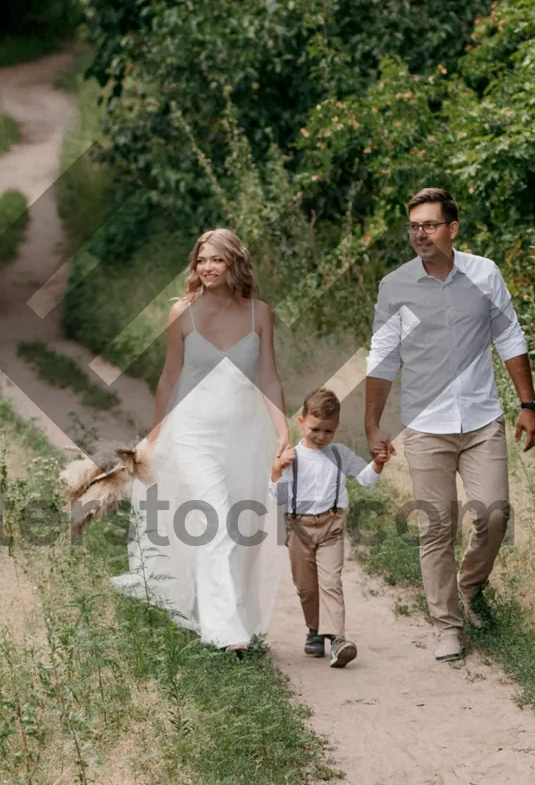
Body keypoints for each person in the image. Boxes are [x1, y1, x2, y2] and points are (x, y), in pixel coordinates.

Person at [364, 188, 535, 662]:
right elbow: (382, 358)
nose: (420, 234)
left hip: (482, 419)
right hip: (425, 426)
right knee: (437, 527)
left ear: (453, 228)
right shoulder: (395, 285)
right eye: (414, 227)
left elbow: (508, 336)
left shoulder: (485, 274)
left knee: (493, 515)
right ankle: (447, 624)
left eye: (430, 225)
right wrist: (372, 425)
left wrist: (529, 404)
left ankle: (470, 587)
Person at [112, 228, 289, 651]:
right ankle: (224, 632)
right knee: (216, 522)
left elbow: (268, 376)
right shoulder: (181, 312)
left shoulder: (259, 314)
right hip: (192, 433)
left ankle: (235, 615)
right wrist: (154, 439)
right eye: (201, 260)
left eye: (216, 260)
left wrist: (284, 432)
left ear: (234, 263)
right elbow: (169, 378)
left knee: (243, 530)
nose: (206, 268)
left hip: (245, 435)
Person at [270, 387, 390, 668]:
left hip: (331, 527)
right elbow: (277, 497)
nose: (321, 437)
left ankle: (337, 639)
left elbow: (365, 479)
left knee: (331, 582)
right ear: (301, 422)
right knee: (306, 587)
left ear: (336, 428)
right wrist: (276, 470)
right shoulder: (291, 457)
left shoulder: (339, 454)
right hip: (298, 528)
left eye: (328, 431)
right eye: (315, 429)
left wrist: (378, 463)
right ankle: (314, 631)